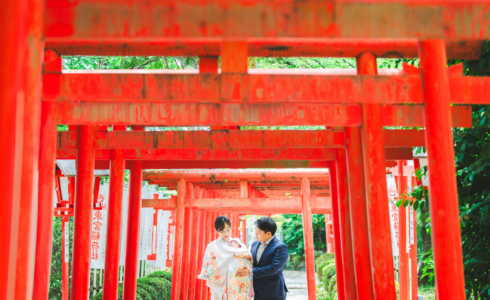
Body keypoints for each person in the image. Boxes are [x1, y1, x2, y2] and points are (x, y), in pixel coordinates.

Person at [198, 215, 253, 300]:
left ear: (231, 227)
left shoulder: (238, 243)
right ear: (217, 231)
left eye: (228, 230)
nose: (226, 234)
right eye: (222, 231)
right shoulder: (212, 246)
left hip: (238, 282)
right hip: (221, 284)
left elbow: (247, 258)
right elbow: (210, 267)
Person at [236, 217, 289, 300]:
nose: (255, 234)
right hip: (257, 292)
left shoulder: (280, 247)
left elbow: (274, 268)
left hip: (273, 293)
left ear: (268, 233)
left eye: (258, 232)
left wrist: (251, 271)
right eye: (255, 231)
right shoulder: (254, 244)